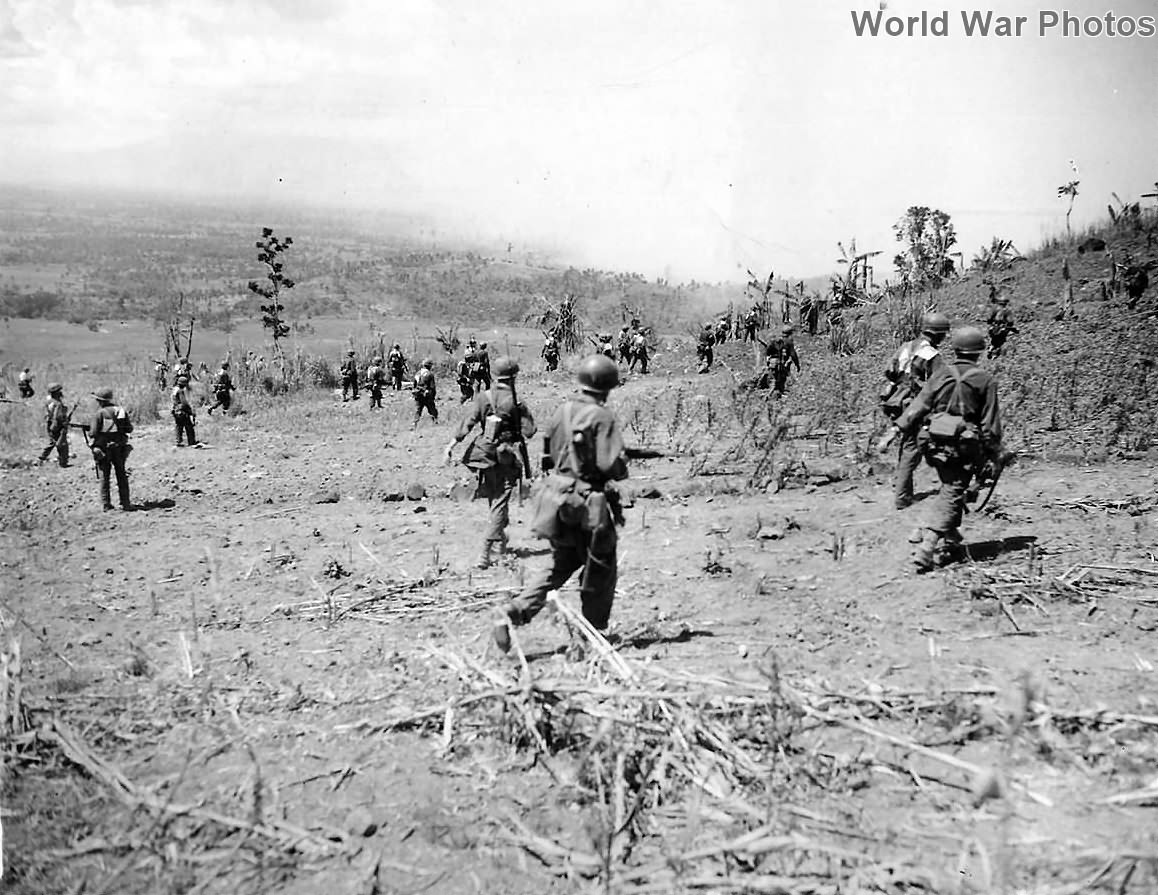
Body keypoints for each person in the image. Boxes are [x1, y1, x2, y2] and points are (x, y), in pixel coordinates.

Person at [492, 355, 628, 653]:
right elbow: (610, 466)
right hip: (588, 504)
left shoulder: (561, 412)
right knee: (600, 567)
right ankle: (594, 632)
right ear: (606, 387)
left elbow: (550, 457)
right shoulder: (601, 416)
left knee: (560, 565)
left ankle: (513, 611)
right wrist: (622, 463)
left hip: (557, 499)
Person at [881, 326, 1002, 573]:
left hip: (933, 442)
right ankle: (927, 545)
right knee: (954, 490)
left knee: (950, 488)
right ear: (979, 352)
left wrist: (892, 433)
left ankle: (951, 539)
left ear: (955, 348)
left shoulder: (940, 375)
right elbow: (990, 424)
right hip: (963, 446)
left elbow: (917, 407)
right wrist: (994, 453)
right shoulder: (984, 380)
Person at [444, 357, 537, 569]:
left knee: (495, 499)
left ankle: (501, 544)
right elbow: (530, 431)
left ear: (495, 375)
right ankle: (485, 553)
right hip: (505, 457)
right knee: (500, 501)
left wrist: (450, 446)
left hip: (484, 455)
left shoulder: (483, 397)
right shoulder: (515, 401)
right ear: (513, 377)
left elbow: (467, 424)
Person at [880, 312, 950, 510]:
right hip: (915, 406)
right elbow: (940, 385)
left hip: (897, 403)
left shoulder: (906, 346)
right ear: (938, 335)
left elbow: (890, 372)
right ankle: (902, 497)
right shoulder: (932, 355)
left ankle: (902, 487)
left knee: (908, 446)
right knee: (913, 449)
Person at [83, 387, 134, 511]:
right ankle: (125, 503)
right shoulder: (121, 410)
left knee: (104, 477)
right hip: (120, 447)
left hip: (104, 448)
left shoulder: (100, 413)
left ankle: (106, 504)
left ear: (100, 401)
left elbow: (93, 433)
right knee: (121, 474)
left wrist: (89, 430)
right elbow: (129, 429)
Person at [38, 382, 71, 467]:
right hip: (57, 425)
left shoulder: (49, 401)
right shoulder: (58, 404)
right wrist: (63, 423)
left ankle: (41, 458)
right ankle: (63, 462)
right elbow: (58, 417)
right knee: (62, 444)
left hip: (50, 423)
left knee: (52, 442)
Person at [762, 325, 801, 394]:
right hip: (781, 365)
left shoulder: (775, 341)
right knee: (778, 383)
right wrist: (797, 365)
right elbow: (793, 355)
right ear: (790, 334)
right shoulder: (788, 342)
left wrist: (767, 361)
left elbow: (767, 352)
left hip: (772, 364)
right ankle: (771, 397)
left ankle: (773, 395)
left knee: (774, 381)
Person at [171, 375, 198, 447]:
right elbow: (184, 402)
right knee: (189, 426)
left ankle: (178, 441)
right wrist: (190, 411)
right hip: (181, 410)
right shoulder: (180, 391)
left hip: (175, 410)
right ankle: (191, 441)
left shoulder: (174, 389)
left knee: (179, 426)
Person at [412, 357, 439, 427]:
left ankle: (414, 424)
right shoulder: (430, 374)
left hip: (418, 394)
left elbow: (414, 385)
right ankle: (435, 422)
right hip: (426, 395)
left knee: (418, 410)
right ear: (429, 366)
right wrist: (433, 396)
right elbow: (432, 387)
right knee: (432, 409)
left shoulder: (417, 373)